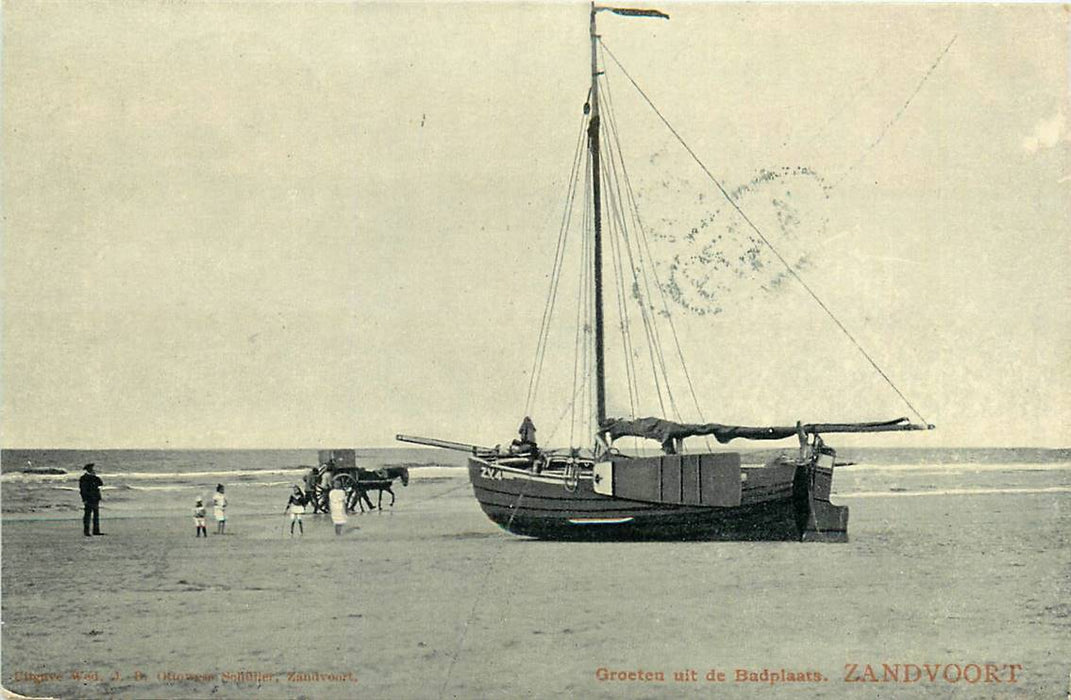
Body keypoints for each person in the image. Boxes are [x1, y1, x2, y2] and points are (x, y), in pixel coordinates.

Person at [78, 463, 103, 536]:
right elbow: (82, 490)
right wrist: (84, 499)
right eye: (91, 469)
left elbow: (101, 483)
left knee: (96, 515)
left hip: (95, 498)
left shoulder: (94, 477)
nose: (92, 470)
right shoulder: (83, 478)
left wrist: (95, 476)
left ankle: (96, 530)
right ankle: (86, 531)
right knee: (87, 515)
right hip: (88, 498)